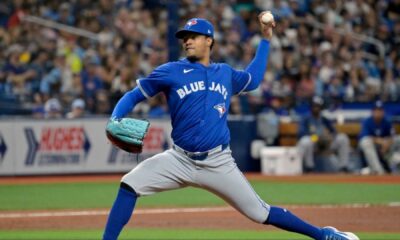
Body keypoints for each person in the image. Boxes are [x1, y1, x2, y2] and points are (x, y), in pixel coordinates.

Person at [103, 15, 358, 240]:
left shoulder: (224, 73)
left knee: (260, 213)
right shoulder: (171, 71)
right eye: (185, 37)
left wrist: (266, 39)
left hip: (217, 162)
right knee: (129, 185)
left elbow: (254, 79)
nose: (187, 41)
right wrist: (116, 117)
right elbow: (134, 95)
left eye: (194, 36)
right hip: (178, 159)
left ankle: (324, 235)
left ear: (209, 41)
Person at [297, 96, 351, 173]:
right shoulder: (306, 119)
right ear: (311, 107)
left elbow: (334, 132)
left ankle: (343, 167)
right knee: (306, 141)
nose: (316, 108)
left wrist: (329, 137)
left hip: (326, 143)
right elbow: (301, 134)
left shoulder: (324, 119)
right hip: (314, 143)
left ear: (321, 107)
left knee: (342, 138)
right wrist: (315, 136)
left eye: (318, 106)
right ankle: (309, 168)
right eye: (314, 106)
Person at [359, 100, 400, 174]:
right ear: (372, 111)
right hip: (373, 147)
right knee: (365, 142)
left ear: (383, 111)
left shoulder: (387, 121)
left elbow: (392, 136)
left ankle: (396, 162)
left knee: (398, 139)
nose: (378, 112)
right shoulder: (367, 121)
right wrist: (382, 142)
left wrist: (387, 143)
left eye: (380, 110)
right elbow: (365, 136)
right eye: (376, 110)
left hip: (387, 149)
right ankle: (379, 171)